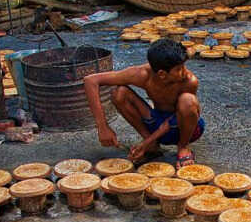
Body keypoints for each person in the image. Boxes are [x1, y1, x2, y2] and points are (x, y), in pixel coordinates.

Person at [83, 38, 205, 167]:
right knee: (119, 93)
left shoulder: (189, 81)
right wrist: (102, 127)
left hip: (185, 128)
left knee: (188, 100)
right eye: (179, 68)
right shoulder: (141, 74)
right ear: (162, 74)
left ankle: (183, 147)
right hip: (156, 122)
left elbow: (175, 119)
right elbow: (90, 81)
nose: (185, 72)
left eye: (184, 66)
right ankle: (152, 145)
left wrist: (145, 143)